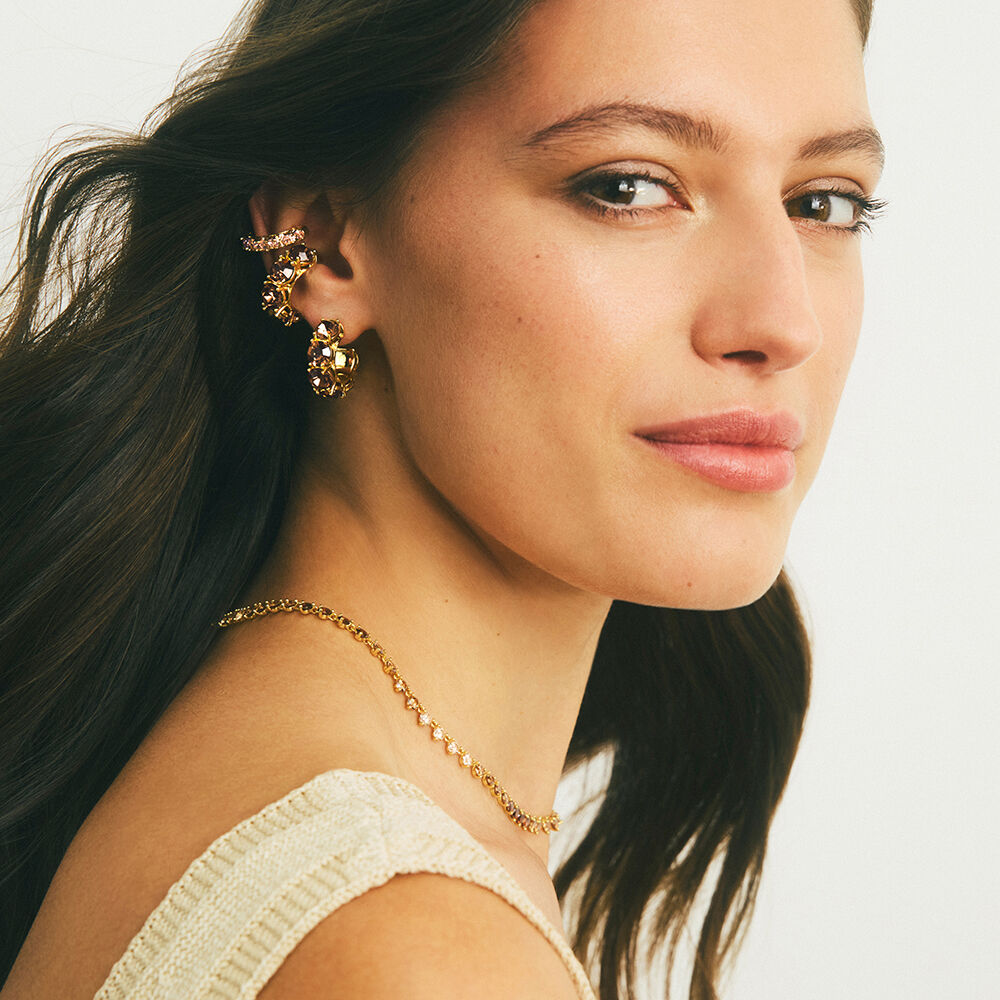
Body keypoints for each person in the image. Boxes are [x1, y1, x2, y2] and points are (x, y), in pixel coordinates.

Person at [0, 0, 885, 997]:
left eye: (823, 203)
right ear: (324, 244)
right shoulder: (414, 943)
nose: (781, 322)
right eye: (627, 187)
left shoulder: (240, 765)